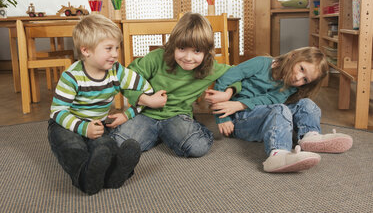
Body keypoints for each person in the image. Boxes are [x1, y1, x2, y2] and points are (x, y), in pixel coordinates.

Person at [48, 14, 166, 195]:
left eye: (116, 48)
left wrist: (128, 114)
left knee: (105, 148)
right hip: (67, 124)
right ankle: (85, 180)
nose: (115, 54)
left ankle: (113, 177)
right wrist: (82, 128)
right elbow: (58, 111)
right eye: (109, 48)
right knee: (72, 147)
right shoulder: (71, 76)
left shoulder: (117, 71)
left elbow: (146, 91)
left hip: (98, 124)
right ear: (86, 51)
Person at [110, 12, 240, 158]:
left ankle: (181, 131)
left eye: (197, 51)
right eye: (182, 49)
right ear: (173, 46)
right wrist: (147, 100)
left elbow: (237, 73)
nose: (188, 58)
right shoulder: (157, 58)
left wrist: (228, 93)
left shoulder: (209, 68)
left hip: (177, 116)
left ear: (206, 52)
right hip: (145, 113)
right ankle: (161, 135)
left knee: (197, 147)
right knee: (117, 144)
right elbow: (126, 78)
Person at [204, 47, 353, 173]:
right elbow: (225, 79)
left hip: (258, 111)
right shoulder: (261, 63)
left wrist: (240, 104)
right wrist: (223, 118)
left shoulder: (291, 87)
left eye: (305, 80)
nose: (298, 79)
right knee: (279, 110)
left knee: (307, 103)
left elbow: (270, 101)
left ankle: (309, 136)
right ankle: (278, 153)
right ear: (293, 56)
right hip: (239, 119)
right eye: (301, 69)